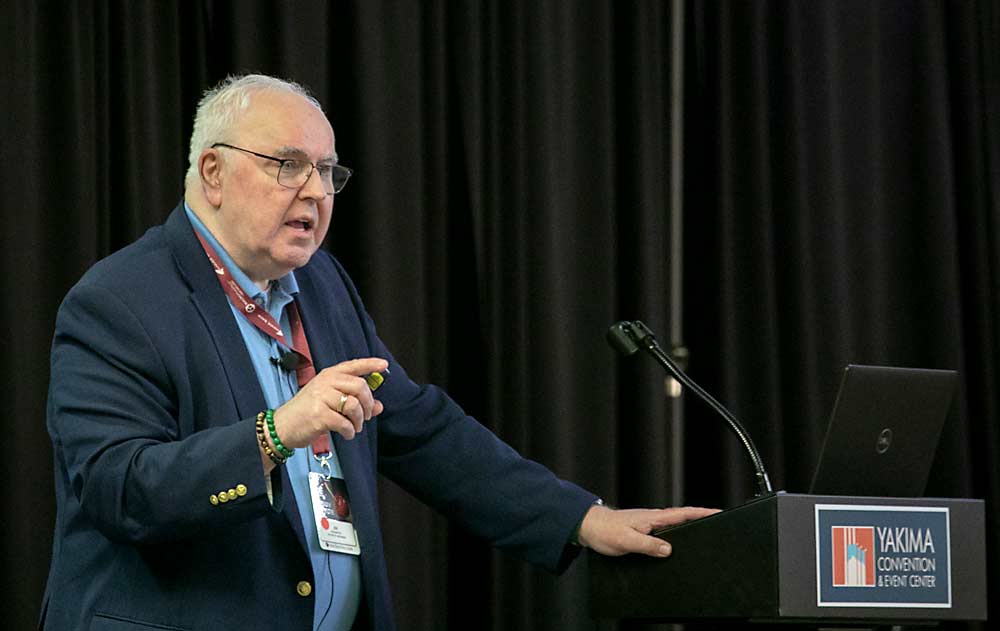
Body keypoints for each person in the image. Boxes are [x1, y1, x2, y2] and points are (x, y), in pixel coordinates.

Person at [40, 74, 716, 631]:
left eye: (328, 172)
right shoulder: (119, 301)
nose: (315, 190)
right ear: (212, 171)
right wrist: (275, 434)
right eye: (289, 165)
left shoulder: (322, 286)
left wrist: (581, 518)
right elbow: (118, 486)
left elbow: (421, 429)